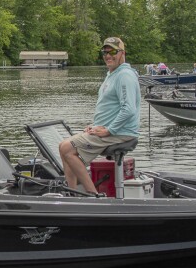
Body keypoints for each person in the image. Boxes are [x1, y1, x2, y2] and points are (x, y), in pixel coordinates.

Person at [58, 37, 140, 194]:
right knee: (64, 146)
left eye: (113, 52)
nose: (108, 56)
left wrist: (109, 130)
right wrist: (96, 126)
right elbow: (111, 108)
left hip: (120, 133)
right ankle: (72, 193)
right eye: (105, 52)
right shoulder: (113, 74)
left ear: (122, 53)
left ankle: (92, 196)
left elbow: (129, 109)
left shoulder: (124, 76)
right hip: (107, 129)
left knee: (67, 148)